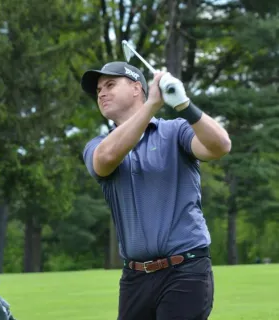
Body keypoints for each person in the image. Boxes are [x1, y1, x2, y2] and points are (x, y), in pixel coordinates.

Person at [80, 61, 231, 320]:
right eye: (98, 90)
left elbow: (220, 146)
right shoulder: (98, 145)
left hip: (185, 269)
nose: (102, 93)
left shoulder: (175, 131)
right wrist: (152, 105)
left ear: (137, 88)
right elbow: (105, 160)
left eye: (110, 85)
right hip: (135, 278)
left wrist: (185, 106)